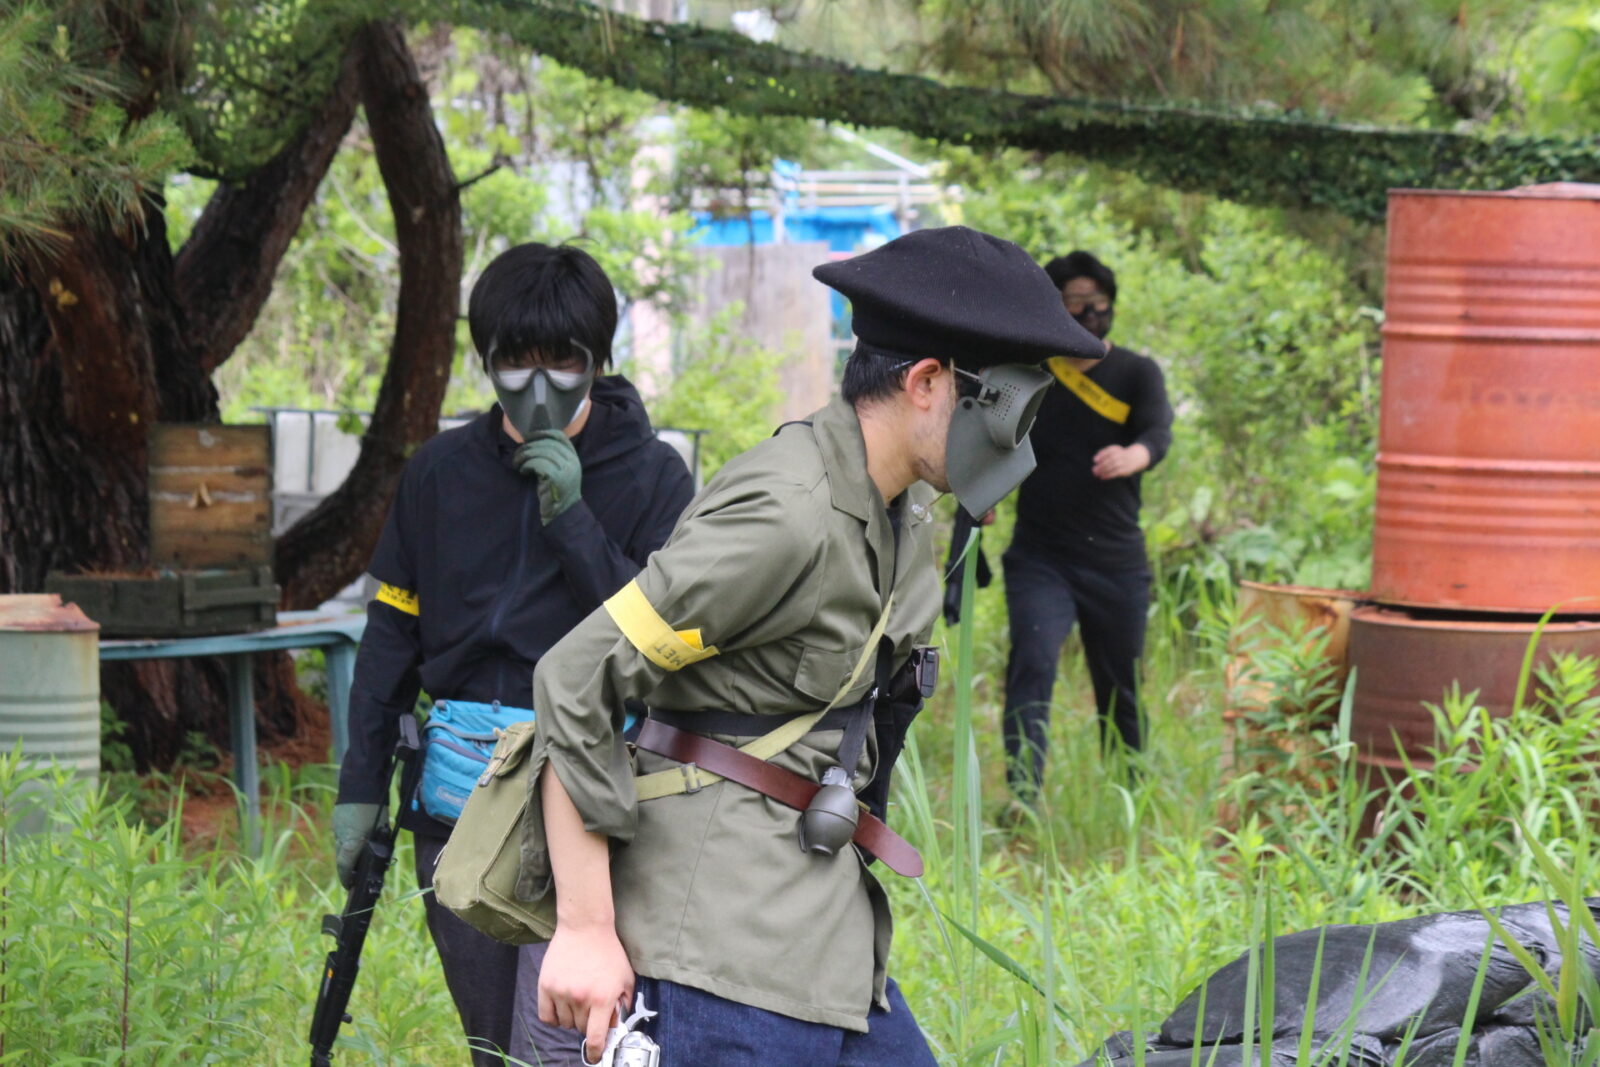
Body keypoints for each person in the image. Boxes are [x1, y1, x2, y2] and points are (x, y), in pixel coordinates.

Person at [513, 226, 1103, 1066]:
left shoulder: (905, 512)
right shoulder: (785, 512)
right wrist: (584, 926)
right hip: (719, 955)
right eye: (1012, 409)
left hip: (824, 939)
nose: (1019, 441)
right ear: (927, 383)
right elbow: (576, 678)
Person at [331, 242, 694, 1066]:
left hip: (596, 794)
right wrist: (360, 786)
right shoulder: (438, 472)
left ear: (598, 360)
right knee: (490, 1037)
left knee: (570, 1040)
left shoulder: (653, 476)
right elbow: (391, 637)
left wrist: (573, 520)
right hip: (459, 798)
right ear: (485, 358)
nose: (538, 384)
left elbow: (663, 642)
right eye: (514, 360)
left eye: (563, 360)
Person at [947, 249, 1173, 800]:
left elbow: (1158, 431)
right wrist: (980, 502)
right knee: (1033, 666)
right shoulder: (1030, 378)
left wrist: (1135, 456)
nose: (1091, 313)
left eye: (1100, 301)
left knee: (1121, 684)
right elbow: (989, 445)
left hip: (1117, 562)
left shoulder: (1137, 373)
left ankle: (1129, 794)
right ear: (1054, 308)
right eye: (1076, 302)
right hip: (1041, 559)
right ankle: (1023, 797)